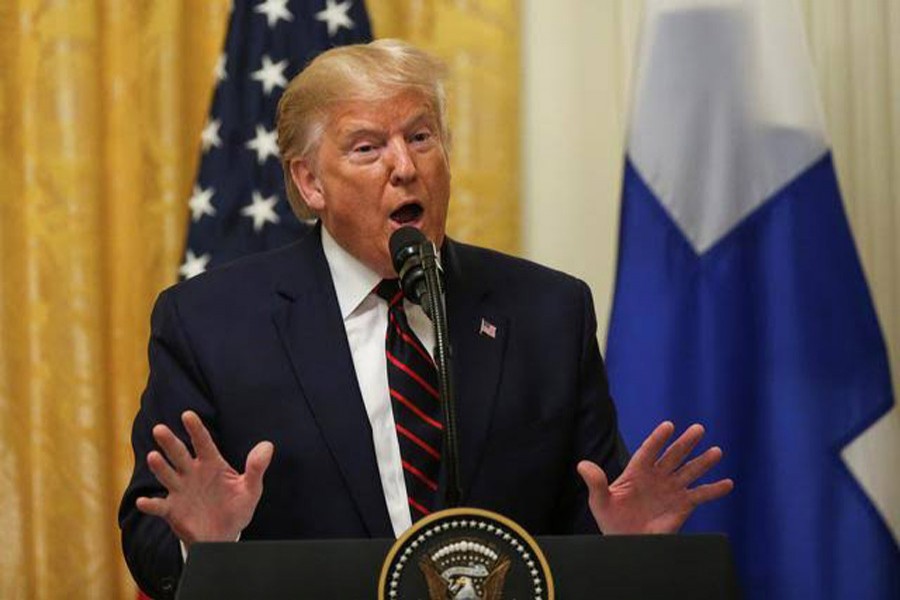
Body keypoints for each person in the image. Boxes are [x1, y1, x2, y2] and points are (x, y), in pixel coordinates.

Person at [119, 39, 733, 599]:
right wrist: (204, 546)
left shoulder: (548, 312)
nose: (405, 168)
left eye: (420, 137)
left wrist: (623, 547)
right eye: (367, 148)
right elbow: (149, 540)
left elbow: (578, 519)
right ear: (310, 183)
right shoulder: (211, 324)